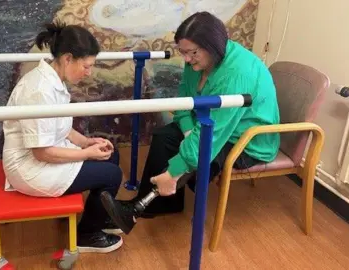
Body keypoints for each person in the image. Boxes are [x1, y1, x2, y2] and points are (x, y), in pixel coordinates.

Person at [100, 11, 281, 234]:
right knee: (166, 136)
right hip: (215, 125)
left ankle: (139, 207)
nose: (186, 59)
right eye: (182, 52)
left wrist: (175, 169)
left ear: (212, 46)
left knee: (200, 156)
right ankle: (162, 204)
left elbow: (212, 136)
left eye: (192, 53)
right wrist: (186, 132)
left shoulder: (237, 73)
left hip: (247, 140)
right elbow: (184, 100)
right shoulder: (196, 61)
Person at [2, 20, 124, 253]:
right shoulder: (39, 91)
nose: (89, 73)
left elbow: (62, 127)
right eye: (86, 66)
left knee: (111, 154)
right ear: (68, 58)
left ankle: (100, 216)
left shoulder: (53, 81)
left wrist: (87, 142)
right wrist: (86, 153)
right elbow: (41, 152)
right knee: (111, 175)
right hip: (31, 168)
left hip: (47, 152)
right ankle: (87, 235)